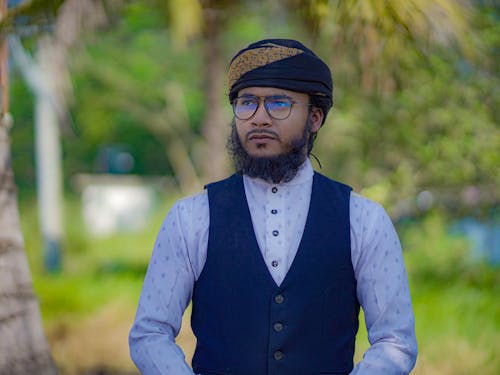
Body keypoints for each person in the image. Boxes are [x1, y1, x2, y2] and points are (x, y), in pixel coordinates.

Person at [129, 39, 418, 375]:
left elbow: (394, 341)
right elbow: (150, 333)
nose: (259, 118)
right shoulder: (191, 218)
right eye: (247, 102)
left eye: (279, 104)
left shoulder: (365, 220)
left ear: (315, 118)